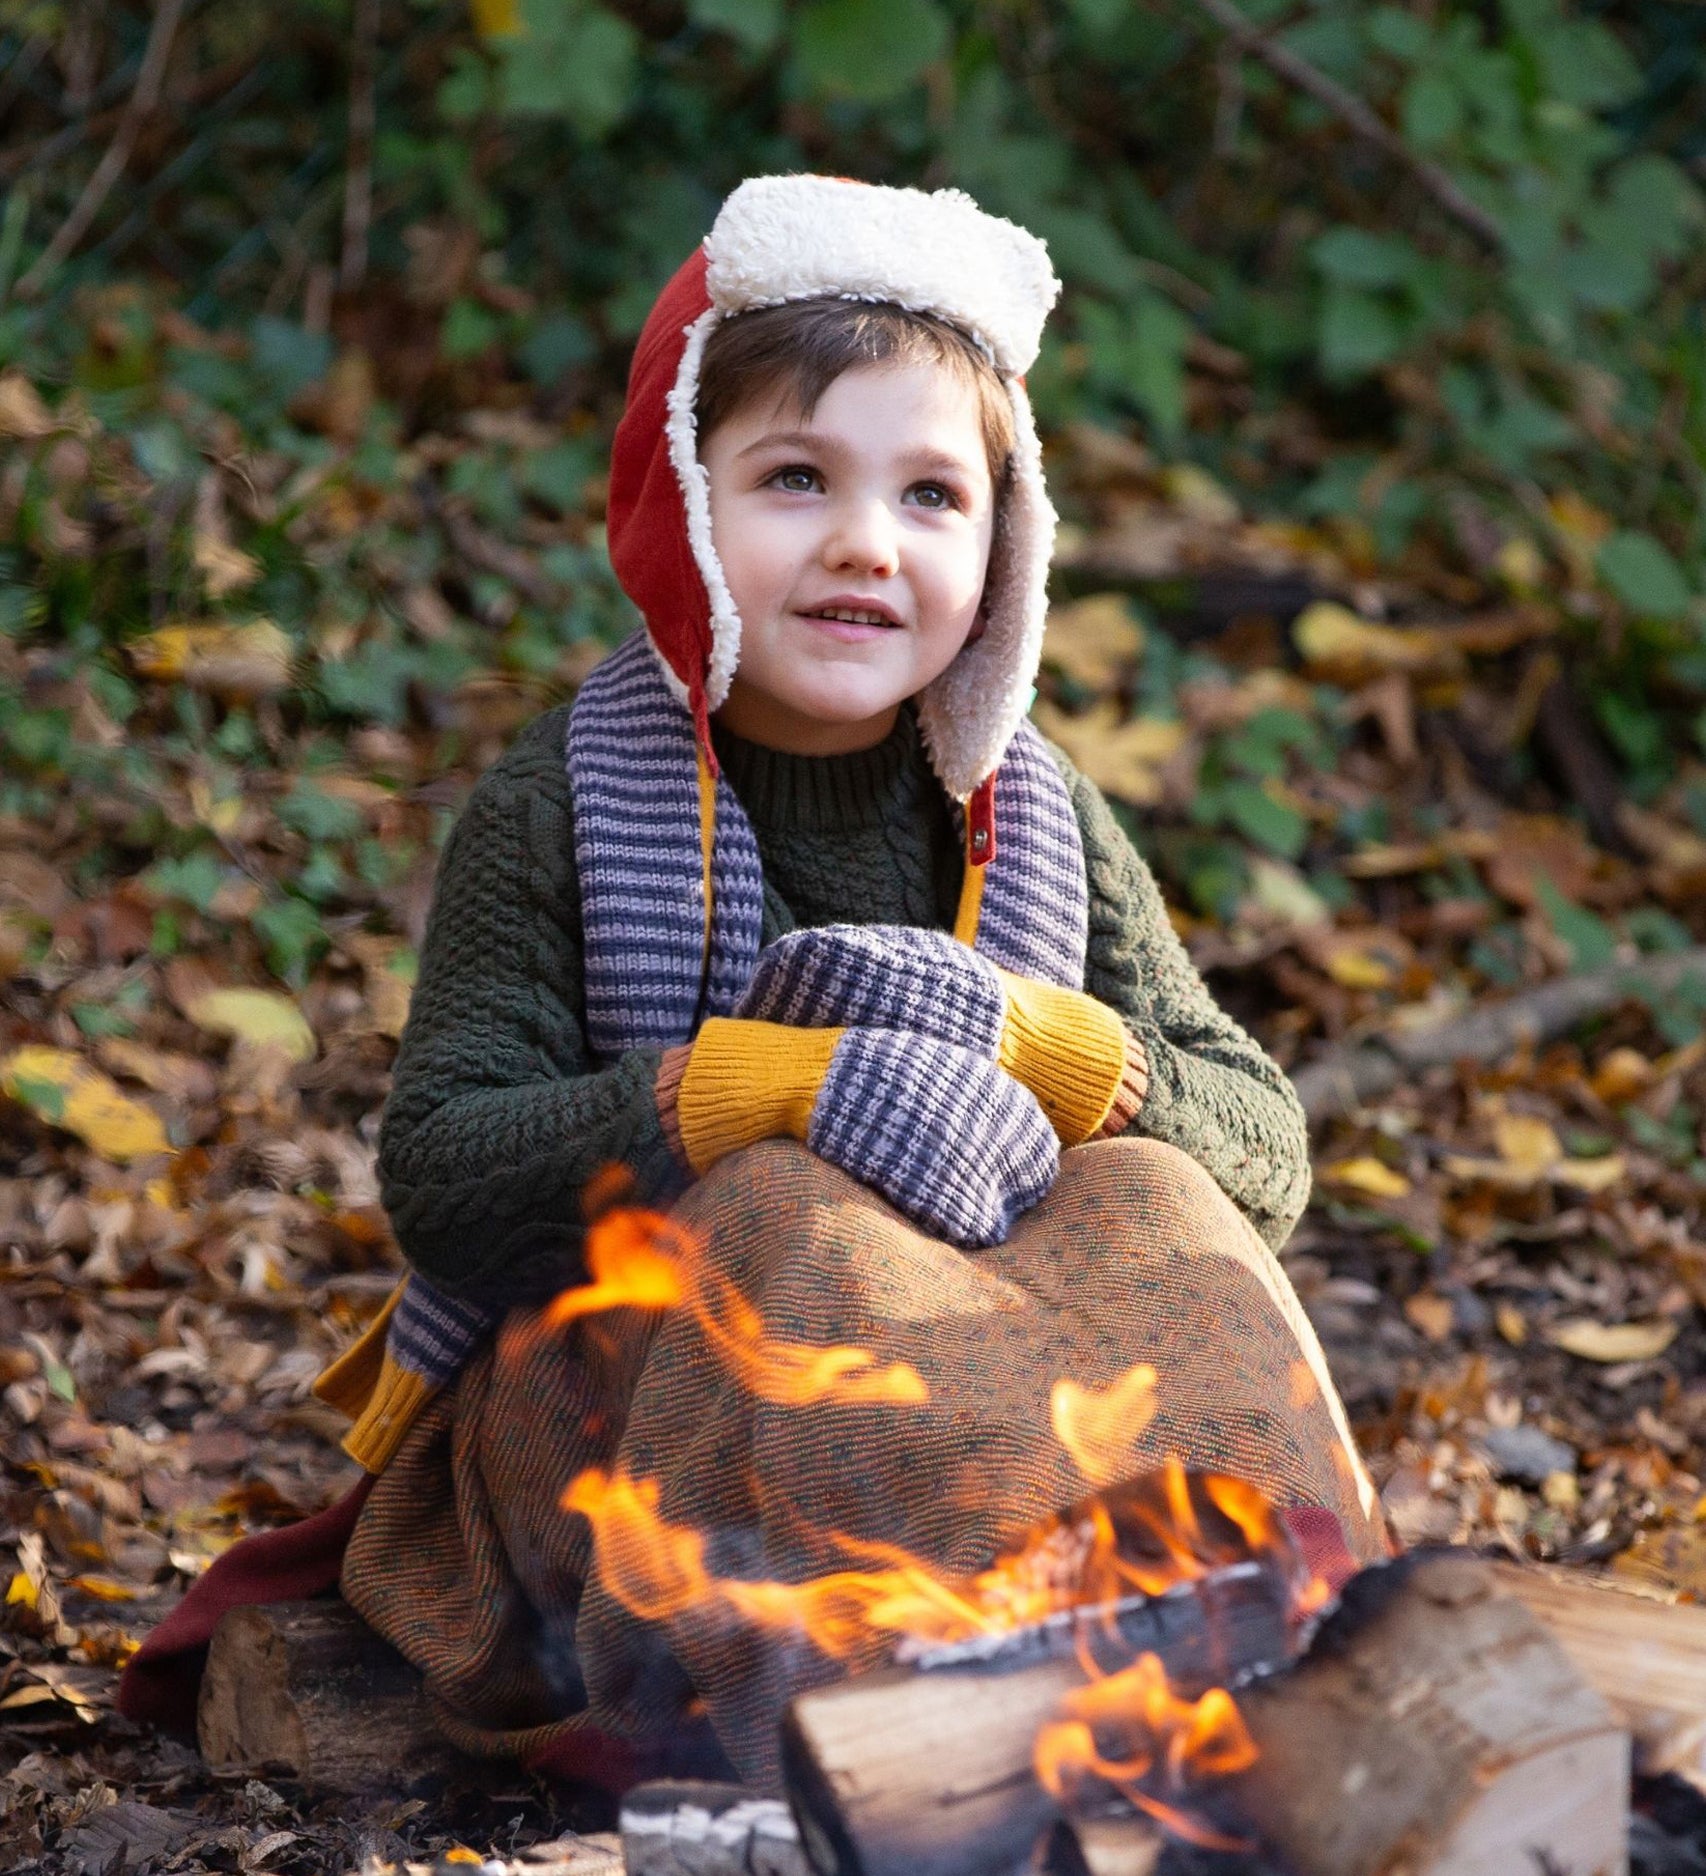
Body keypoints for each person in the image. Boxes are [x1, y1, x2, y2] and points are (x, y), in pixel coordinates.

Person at [136, 175, 1388, 1789]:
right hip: (621, 1432)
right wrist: (751, 1095)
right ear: (684, 503)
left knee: (1152, 1196)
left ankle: (1272, 1640)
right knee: (793, 1215)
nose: (866, 545)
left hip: (1007, 1400)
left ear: (1005, 544)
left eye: (932, 497)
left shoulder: (1037, 810)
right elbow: (444, 1174)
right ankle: (913, 1723)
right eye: (796, 479)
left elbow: (1261, 1150)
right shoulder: (569, 798)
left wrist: (1045, 1050)